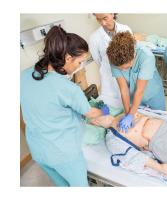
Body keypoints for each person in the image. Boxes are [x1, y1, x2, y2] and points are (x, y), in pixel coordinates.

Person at [20, 26, 110, 186]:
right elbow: (90, 113)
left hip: (38, 150)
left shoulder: (24, 75)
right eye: (80, 62)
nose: (80, 66)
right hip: (63, 154)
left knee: (62, 186)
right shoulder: (69, 89)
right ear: (68, 58)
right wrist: (102, 111)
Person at [106, 31, 166, 133]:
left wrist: (131, 115)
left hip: (153, 93)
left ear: (133, 56)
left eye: (126, 67)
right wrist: (127, 113)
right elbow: (124, 90)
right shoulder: (114, 60)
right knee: (139, 118)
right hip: (134, 94)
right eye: (120, 69)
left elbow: (140, 90)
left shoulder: (146, 57)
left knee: (159, 121)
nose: (123, 71)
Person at [89, 13, 133, 108]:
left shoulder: (126, 29)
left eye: (105, 18)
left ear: (112, 13)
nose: (103, 23)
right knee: (111, 109)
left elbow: (130, 53)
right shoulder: (94, 38)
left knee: (129, 104)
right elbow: (98, 60)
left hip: (126, 75)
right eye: (98, 19)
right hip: (108, 79)